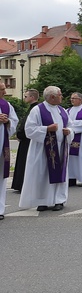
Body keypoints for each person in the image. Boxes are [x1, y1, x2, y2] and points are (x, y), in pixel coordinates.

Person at [18, 86, 70, 212]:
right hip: (42, 149)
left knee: (59, 173)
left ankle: (59, 200)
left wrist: (69, 131)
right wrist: (46, 129)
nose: (62, 96)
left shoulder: (62, 110)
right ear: (52, 97)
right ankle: (43, 201)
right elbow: (29, 130)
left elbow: (70, 125)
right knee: (42, 174)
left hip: (60, 147)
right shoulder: (37, 110)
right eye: (60, 94)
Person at [11, 89, 39, 192]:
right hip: (25, 139)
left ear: (32, 97)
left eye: (26, 96)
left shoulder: (35, 109)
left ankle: (23, 184)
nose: (24, 98)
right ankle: (20, 184)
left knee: (25, 162)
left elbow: (28, 125)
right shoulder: (32, 108)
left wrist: (21, 134)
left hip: (28, 140)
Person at [0, 83, 19, 220]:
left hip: (2, 146)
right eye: (1, 89)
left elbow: (14, 120)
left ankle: (0, 209)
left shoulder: (6, 105)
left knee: (1, 177)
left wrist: (7, 122)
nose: (5, 91)